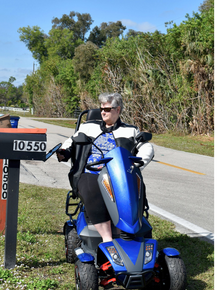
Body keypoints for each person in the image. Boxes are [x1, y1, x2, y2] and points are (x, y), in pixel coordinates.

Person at [56, 92, 154, 242]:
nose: (103, 112)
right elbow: (72, 141)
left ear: (118, 110)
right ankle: (107, 239)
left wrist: (135, 164)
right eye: (102, 108)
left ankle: (126, 232)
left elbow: (147, 148)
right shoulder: (88, 127)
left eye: (107, 109)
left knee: (132, 190)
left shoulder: (130, 130)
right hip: (91, 171)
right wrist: (64, 152)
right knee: (92, 188)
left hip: (119, 173)